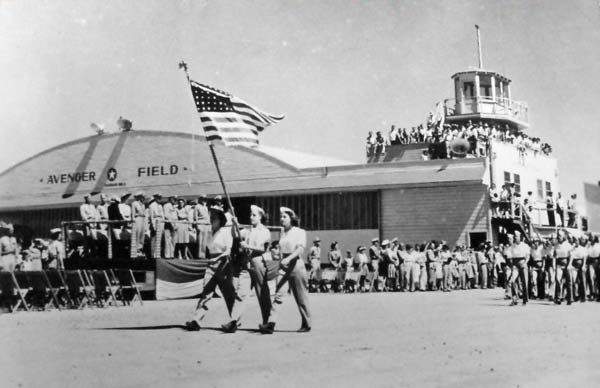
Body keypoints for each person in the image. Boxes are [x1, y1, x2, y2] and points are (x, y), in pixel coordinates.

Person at [259, 207, 311, 334]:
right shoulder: (283, 233)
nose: (281, 219)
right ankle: (271, 324)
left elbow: (300, 249)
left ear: (291, 218)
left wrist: (288, 260)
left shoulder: (300, 231)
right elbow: (281, 250)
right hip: (284, 266)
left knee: (301, 297)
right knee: (278, 295)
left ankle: (306, 323)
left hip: (296, 265)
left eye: (284, 217)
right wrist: (279, 258)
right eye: (281, 217)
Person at [185, 205, 237, 332]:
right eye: (211, 216)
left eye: (214, 217)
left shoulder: (226, 232)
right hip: (211, 266)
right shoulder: (211, 234)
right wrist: (211, 261)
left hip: (223, 266)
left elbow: (228, 251)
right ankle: (196, 320)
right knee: (206, 293)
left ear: (220, 219)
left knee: (229, 295)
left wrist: (217, 259)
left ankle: (234, 322)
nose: (211, 219)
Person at [509, 231, 530, 305]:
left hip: (523, 264)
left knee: (524, 282)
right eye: (514, 236)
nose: (515, 238)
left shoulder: (525, 245)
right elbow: (510, 257)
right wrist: (512, 265)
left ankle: (525, 299)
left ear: (520, 237)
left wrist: (525, 263)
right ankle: (515, 298)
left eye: (517, 236)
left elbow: (527, 257)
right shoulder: (512, 246)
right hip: (515, 265)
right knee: (512, 281)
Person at [554, 231, 573, 305]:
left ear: (563, 236)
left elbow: (571, 256)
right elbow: (554, 256)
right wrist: (554, 265)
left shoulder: (567, 245)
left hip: (567, 264)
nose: (559, 237)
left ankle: (570, 299)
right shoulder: (556, 245)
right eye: (558, 235)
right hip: (559, 264)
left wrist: (569, 265)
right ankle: (558, 298)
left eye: (560, 236)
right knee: (558, 280)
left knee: (569, 282)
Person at [571, 237, 587, 303]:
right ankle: (575, 296)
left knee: (582, 281)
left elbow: (585, 257)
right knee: (574, 281)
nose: (576, 242)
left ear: (579, 241)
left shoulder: (582, 248)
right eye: (575, 241)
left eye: (577, 241)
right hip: (574, 266)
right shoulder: (572, 248)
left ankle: (583, 297)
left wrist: (583, 265)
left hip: (581, 266)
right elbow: (571, 257)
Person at [148, 193, 164, 259]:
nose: (159, 199)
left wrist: (163, 225)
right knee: (154, 240)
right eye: (158, 197)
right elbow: (152, 217)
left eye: (160, 197)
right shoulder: (152, 205)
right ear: (155, 198)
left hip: (160, 223)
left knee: (159, 239)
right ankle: (153, 254)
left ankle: (158, 254)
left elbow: (162, 216)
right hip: (155, 222)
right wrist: (154, 226)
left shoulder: (160, 206)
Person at [130, 191, 146, 258]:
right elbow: (133, 214)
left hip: (142, 219)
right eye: (142, 197)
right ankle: (135, 250)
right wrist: (133, 221)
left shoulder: (143, 204)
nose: (144, 198)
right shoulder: (134, 203)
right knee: (137, 234)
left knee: (142, 235)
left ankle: (140, 249)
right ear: (139, 197)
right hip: (137, 219)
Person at [194, 194, 211, 259]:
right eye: (203, 199)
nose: (204, 200)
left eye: (205, 199)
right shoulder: (197, 206)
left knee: (204, 241)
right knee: (200, 241)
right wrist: (197, 225)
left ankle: (203, 255)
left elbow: (207, 216)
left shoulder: (205, 207)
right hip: (200, 223)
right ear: (200, 199)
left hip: (206, 224)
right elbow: (195, 217)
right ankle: (199, 255)